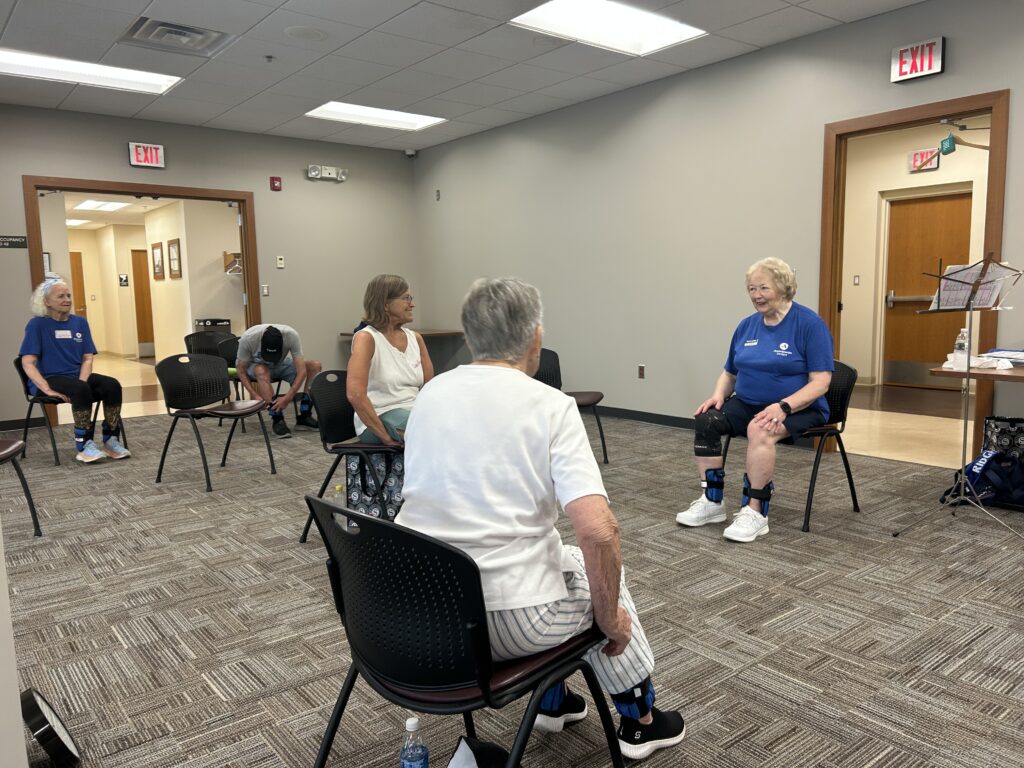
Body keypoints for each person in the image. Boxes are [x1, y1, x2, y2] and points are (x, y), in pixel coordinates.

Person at [398, 278, 685, 761]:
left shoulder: (430, 395)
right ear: (535, 337)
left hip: (414, 612)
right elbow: (599, 530)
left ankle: (553, 701)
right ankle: (641, 721)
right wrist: (612, 619)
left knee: (569, 560)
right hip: (502, 622)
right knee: (609, 585)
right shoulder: (551, 406)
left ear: (470, 338)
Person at [676, 258, 833, 542]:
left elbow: (821, 383)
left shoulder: (810, 324)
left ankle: (756, 510)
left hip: (801, 407)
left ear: (784, 288)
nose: (756, 295)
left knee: (759, 428)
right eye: (751, 289)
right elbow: (730, 372)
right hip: (748, 402)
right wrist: (717, 396)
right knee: (706, 420)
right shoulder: (747, 326)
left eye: (763, 288)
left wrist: (783, 406)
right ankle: (712, 502)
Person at [18, 276, 130, 463]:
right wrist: (46, 389)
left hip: (76, 377)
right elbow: (27, 363)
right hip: (49, 378)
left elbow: (87, 358)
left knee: (112, 385)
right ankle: (84, 445)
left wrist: (81, 381)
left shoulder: (80, 322)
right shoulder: (37, 324)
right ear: (46, 301)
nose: (67, 299)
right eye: (61, 296)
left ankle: (111, 439)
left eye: (69, 295)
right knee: (80, 389)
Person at [347, 274, 433, 445]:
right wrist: (385, 437)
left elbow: (430, 387)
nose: (412, 304)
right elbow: (355, 395)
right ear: (385, 304)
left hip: (414, 411)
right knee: (431, 433)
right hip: (380, 415)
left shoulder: (416, 338)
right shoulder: (367, 338)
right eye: (406, 298)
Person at [235, 323, 321, 439]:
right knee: (261, 370)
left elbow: (302, 371)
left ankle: (304, 416)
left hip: (281, 364)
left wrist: (288, 397)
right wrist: (254, 394)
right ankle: (277, 419)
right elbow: (240, 370)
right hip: (256, 365)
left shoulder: (291, 335)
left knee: (314, 365)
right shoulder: (249, 338)